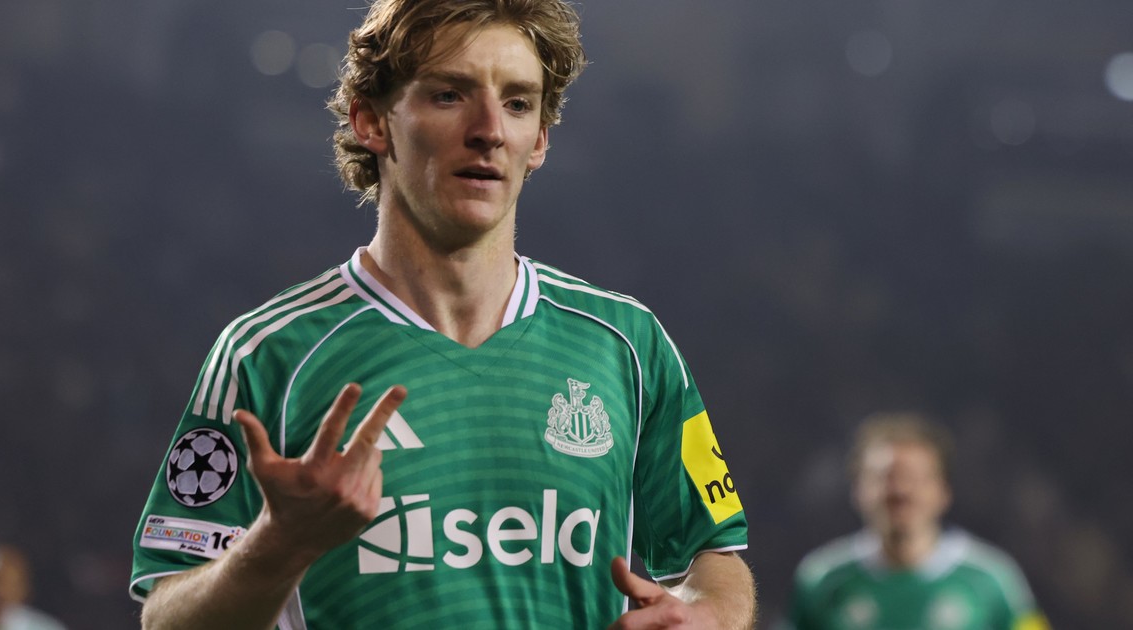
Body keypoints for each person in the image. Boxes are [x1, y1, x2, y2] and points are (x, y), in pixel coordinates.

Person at [128, 0, 755, 627]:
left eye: (518, 103)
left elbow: (712, 554)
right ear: (371, 121)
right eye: (450, 95)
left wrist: (707, 617)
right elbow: (165, 617)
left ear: (539, 140)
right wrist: (279, 543)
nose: (489, 130)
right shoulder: (267, 354)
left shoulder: (628, 343)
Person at [783, 412, 1049, 630]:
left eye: (914, 477)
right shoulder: (821, 579)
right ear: (858, 490)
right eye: (884, 478)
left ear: (943, 491)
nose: (900, 491)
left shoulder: (992, 579)